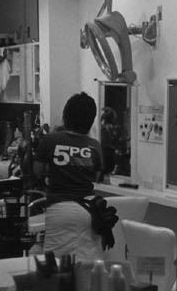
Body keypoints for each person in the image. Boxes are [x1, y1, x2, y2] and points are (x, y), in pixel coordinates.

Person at [33, 92, 105, 260]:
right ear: (91, 120)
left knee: (56, 263)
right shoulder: (95, 146)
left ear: (65, 116)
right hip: (89, 211)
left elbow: (37, 170)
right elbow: (95, 177)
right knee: (86, 262)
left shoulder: (50, 140)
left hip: (59, 208)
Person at [99, 107, 118, 182]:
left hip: (107, 149)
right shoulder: (107, 128)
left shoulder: (106, 128)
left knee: (106, 167)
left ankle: (104, 179)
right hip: (107, 149)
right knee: (106, 166)